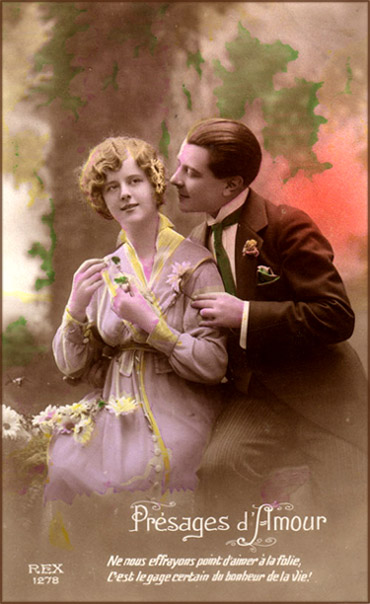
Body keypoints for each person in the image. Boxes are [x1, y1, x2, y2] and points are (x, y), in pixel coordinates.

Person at [170, 117, 367, 519]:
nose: (175, 179)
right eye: (179, 166)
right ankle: (238, 577)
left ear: (231, 185)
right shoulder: (195, 244)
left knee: (345, 510)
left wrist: (243, 314)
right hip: (255, 399)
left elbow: (335, 316)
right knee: (218, 472)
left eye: (191, 173)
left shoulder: (285, 226)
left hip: (323, 398)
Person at [34, 136, 228, 505]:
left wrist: (154, 327)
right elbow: (70, 366)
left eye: (134, 181)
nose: (124, 193)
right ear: (102, 200)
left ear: (155, 185)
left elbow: (214, 363)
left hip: (178, 408)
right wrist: (74, 308)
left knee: (137, 477)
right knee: (65, 471)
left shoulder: (196, 264)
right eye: (111, 187)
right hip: (116, 409)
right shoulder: (107, 271)